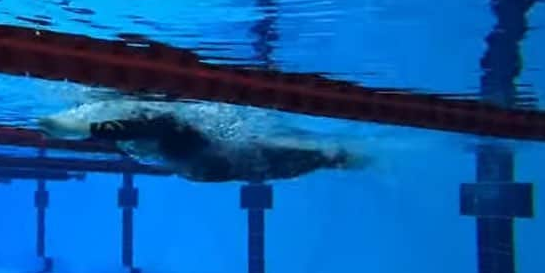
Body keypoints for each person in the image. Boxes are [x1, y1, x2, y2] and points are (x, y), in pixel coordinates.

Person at [37, 99, 370, 183]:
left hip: (205, 166)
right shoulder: (265, 157)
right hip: (204, 163)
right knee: (168, 125)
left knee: (166, 126)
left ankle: (81, 129)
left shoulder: (263, 158)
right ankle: (81, 129)